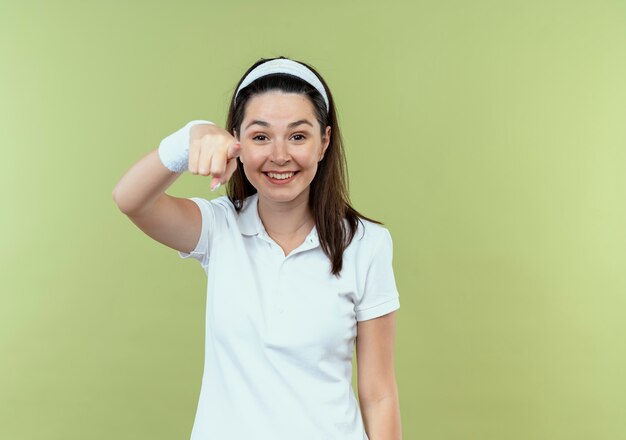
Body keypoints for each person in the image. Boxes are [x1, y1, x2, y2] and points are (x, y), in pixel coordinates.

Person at [112, 56, 402, 440]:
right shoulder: (218, 228)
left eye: (298, 136)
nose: (279, 155)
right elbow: (131, 199)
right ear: (237, 142)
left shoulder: (366, 244)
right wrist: (188, 138)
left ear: (324, 141)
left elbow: (379, 394)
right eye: (261, 136)